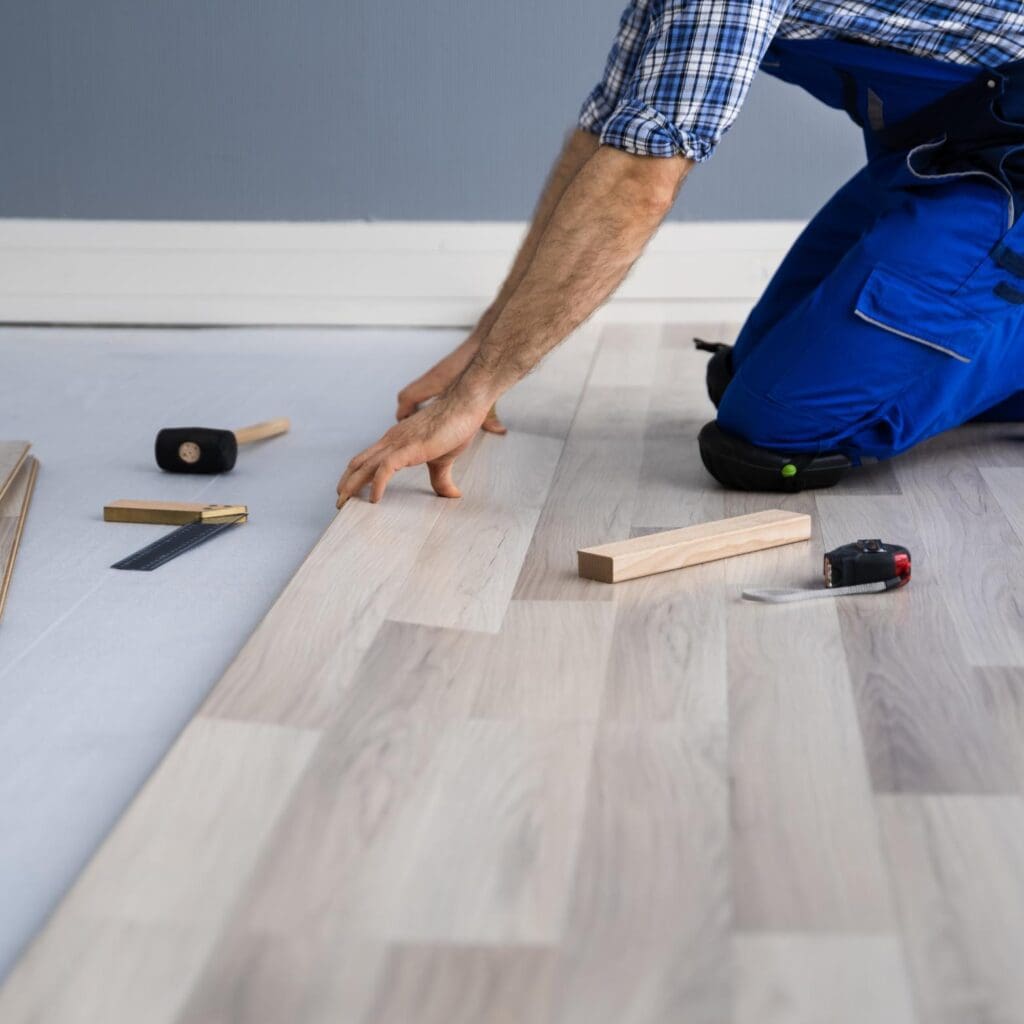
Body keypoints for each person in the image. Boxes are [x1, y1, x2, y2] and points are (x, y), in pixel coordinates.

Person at [337, 0, 1024, 507]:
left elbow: (639, 181)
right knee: (745, 378)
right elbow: (607, 136)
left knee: (773, 431)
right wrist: (483, 350)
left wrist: (476, 394)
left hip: (1006, 169)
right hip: (952, 158)